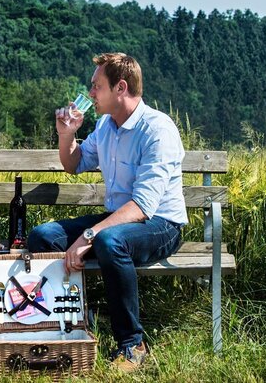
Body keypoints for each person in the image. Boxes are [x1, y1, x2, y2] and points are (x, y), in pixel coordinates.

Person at [27, 52, 187, 372]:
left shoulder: (157, 130)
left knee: (110, 242)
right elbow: (73, 165)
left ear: (120, 88)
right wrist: (66, 134)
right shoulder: (104, 125)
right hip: (117, 220)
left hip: (161, 224)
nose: (90, 94)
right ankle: (73, 329)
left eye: (96, 86)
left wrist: (90, 235)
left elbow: (142, 206)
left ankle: (133, 345)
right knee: (43, 236)